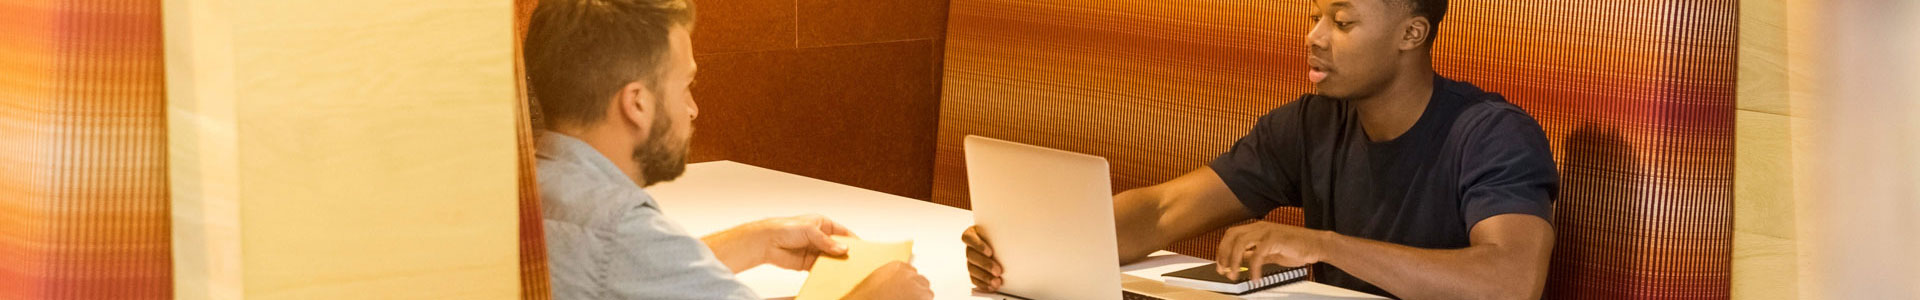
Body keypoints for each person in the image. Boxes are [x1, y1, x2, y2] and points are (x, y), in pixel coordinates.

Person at [961, 0, 1559, 298]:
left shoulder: (1492, 134)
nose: (1315, 37)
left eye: (1342, 22)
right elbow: (1166, 209)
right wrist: (1029, 246)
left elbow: (1511, 279)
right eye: (1315, 13)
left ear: (1411, 34)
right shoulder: (1313, 122)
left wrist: (1322, 244)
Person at [523, 0, 933, 298]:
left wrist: (757, 241)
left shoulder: (536, 189)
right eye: (686, 86)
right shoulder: (620, 228)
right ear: (638, 104)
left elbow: (632, 274)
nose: (692, 109)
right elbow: (629, 254)